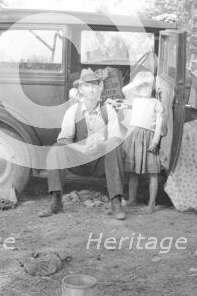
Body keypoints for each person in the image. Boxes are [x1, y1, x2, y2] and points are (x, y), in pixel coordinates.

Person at [38, 68, 126, 220]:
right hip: (78, 161)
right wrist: (80, 148)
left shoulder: (108, 110)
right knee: (56, 149)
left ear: (100, 89)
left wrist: (100, 146)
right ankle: (55, 200)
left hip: (100, 161)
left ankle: (116, 202)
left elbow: (116, 138)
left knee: (116, 147)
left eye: (95, 85)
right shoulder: (73, 111)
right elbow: (64, 139)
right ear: (80, 89)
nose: (91, 89)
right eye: (87, 86)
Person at [121, 71, 165, 213]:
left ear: (152, 87)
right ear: (137, 88)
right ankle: (132, 199)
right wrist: (139, 82)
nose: (144, 89)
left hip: (148, 138)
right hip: (134, 137)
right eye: (141, 87)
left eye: (147, 86)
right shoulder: (135, 100)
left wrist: (155, 140)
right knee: (133, 172)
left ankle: (151, 204)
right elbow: (125, 90)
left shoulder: (156, 103)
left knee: (153, 173)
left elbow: (158, 125)